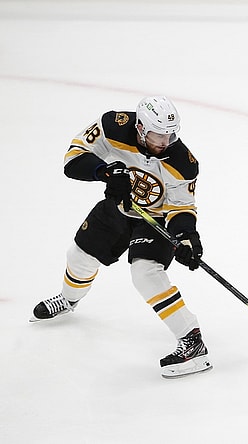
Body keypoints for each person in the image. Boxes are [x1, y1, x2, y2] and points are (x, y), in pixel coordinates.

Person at [30, 96, 212, 378]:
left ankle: (192, 341)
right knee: (78, 256)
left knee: (145, 274)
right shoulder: (112, 126)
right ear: (140, 127)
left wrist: (187, 237)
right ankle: (68, 301)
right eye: (157, 135)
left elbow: (181, 206)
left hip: (156, 220)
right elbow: (73, 159)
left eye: (170, 135)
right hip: (118, 207)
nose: (164, 142)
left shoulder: (183, 163)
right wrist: (104, 171)